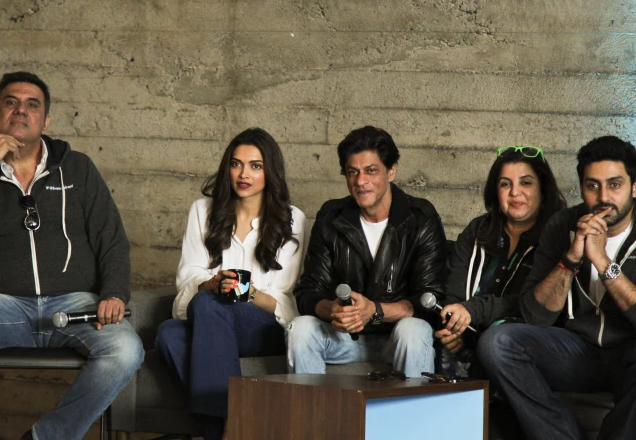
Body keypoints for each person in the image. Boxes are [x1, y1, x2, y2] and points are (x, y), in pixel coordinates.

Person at [0, 72, 144, 440]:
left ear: (46, 121)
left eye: (33, 105)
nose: (21, 111)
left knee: (126, 350)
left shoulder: (78, 168)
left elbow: (111, 238)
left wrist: (114, 293)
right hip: (4, 308)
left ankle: (47, 437)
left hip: (74, 306)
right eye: (11, 102)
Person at [478, 136, 636, 440]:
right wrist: (571, 259)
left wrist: (602, 261)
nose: (603, 196)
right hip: (577, 352)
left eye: (614, 185)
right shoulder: (563, 224)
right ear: (581, 188)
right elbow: (536, 316)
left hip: (630, 352)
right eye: (592, 186)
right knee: (497, 343)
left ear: (634, 186)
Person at [154, 128, 307, 440]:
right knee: (168, 333)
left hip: (261, 326)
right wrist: (212, 284)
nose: (244, 174)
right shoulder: (203, 211)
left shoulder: (293, 220)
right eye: (236, 164)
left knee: (209, 303)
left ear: (270, 171)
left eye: (255, 165)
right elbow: (188, 279)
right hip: (209, 316)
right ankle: (229, 432)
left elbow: (285, 297)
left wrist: (245, 292)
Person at [287, 125, 446, 377]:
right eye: (353, 172)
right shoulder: (331, 217)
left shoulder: (420, 218)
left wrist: (375, 310)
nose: (361, 182)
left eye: (371, 171)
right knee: (301, 328)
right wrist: (333, 310)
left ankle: (414, 415)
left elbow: (431, 300)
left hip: (399, 338)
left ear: (391, 171)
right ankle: (312, 415)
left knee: (413, 330)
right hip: (344, 339)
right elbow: (308, 292)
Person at [437, 146, 566, 363]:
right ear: (495, 192)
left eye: (526, 183)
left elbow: (531, 306)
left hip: (526, 344)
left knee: (498, 337)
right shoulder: (477, 231)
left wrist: (474, 310)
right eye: (505, 184)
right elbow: (454, 293)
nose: (515, 192)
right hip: (470, 338)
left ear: (543, 188)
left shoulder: (557, 236)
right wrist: (454, 328)